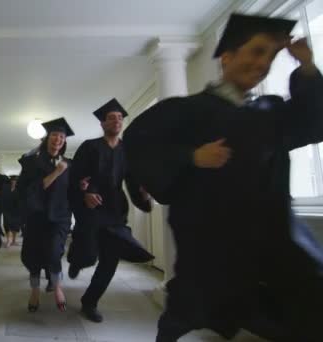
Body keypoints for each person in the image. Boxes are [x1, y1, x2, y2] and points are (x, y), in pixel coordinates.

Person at [123, 13, 323, 342]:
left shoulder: (270, 112)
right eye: (256, 52)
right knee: (184, 314)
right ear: (227, 57)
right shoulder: (185, 110)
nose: (263, 63)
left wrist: (307, 68)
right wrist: (190, 156)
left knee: (307, 301)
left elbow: (312, 123)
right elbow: (140, 144)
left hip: (272, 240)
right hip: (209, 247)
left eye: (270, 56)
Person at [67, 98, 154, 323]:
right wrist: (84, 194)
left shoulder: (127, 150)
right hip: (92, 208)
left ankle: (90, 302)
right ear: (103, 123)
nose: (117, 121)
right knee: (88, 253)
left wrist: (144, 194)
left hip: (115, 208)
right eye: (111, 118)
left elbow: (133, 181)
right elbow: (75, 176)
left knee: (109, 262)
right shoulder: (89, 146)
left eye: (120, 118)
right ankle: (77, 260)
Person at [17, 117, 74, 313]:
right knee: (32, 255)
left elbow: (73, 191)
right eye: (54, 135)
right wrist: (57, 173)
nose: (58, 139)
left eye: (62, 136)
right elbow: (32, 191)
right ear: (47, 138)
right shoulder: (32, 162)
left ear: (65, 141)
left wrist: (83, 187)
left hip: (59, 218)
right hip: (35, 217)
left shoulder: (70, 165)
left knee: (52, 251)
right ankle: (34, 290)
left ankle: (57, 287)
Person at [2, 175, 23, 247]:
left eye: (15, 181)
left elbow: (21, 200)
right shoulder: (6, 189)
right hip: (7, 210)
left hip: (16, 211)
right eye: (12, 180)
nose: (13, 182)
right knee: (7, 225)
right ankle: (8, 240)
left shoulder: (19, 190)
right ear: (10, 181)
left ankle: (14, 240)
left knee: (15, 226)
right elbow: (3, 197)